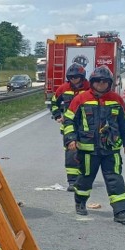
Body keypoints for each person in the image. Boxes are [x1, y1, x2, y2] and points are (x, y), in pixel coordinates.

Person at [62, 66, 125, 225]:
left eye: (104, 82)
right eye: (98, 81)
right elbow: (69, 120)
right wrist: (70, 139)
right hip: (88, 150)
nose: (101, 84)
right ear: (92, 82)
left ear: (110, 83)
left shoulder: (116, 100)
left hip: (111, 149)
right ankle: (80, 201)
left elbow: (124, 124)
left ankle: (121, 211)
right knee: (85, 178)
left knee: (115, 178)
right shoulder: (81, 99)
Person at [49, 63, 90, 191]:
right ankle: (72, 181)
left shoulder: (90, 88)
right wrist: (57, 115)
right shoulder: (63, 88)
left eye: (76, 77)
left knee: (85, 154)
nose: (74, 80)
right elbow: (54, 102)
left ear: (82, 77)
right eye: (71, 77)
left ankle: (83, 177)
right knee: (71, 153)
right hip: (68, 126)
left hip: (86, 127)